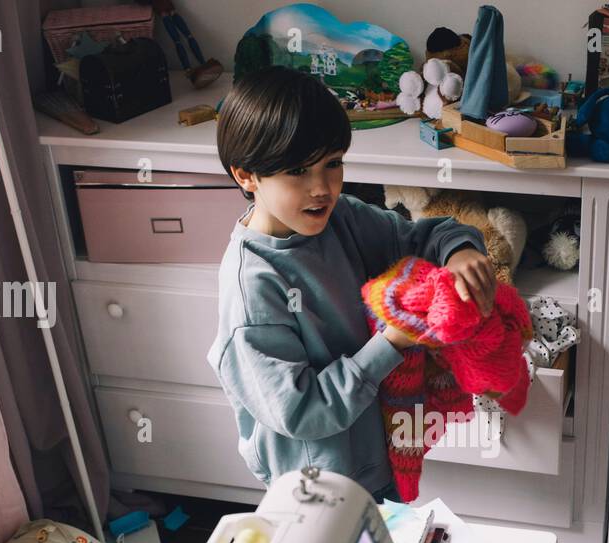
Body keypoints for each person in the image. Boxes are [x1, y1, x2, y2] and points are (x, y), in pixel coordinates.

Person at [209, 66, 496, 503]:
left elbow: (423, 236)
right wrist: (393, 343)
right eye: (298, 171)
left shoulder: (342, 217)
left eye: (333, 164)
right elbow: (303, 411)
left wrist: (460, 251)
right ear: (247, 176)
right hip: (314, 489)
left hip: (376, 454)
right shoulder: (253, 288)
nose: (322, 188)